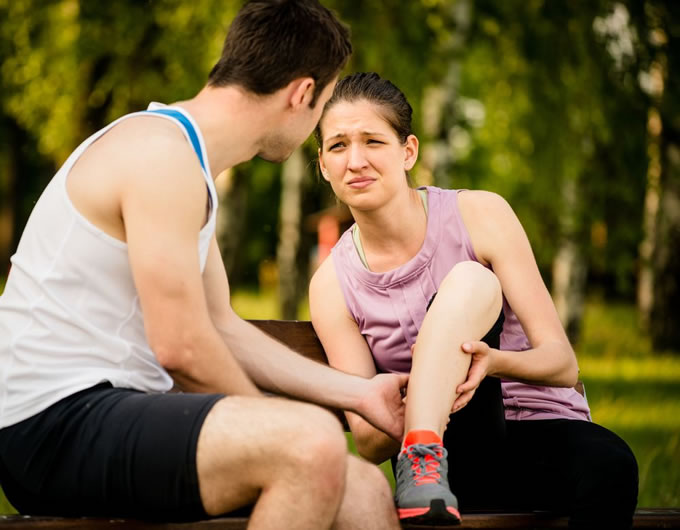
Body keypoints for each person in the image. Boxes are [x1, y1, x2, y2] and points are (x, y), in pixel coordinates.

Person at [0, 4, 409, 529]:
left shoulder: (187, 167)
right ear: (302, 94)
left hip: (111, 414)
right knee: (311, 444)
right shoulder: (159, 156)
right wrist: (278, 426)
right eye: (323, 104)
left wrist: (358, 392)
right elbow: (182, 347)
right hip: (50, 423)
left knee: (365, 490)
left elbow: (221, 328)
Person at [310, 72, 639, 528]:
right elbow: (366, 439)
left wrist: (487, 361)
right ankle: (423, 444)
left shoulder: (480, 214)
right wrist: (431, 381)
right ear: (323, 163)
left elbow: (562, 364)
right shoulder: (332, 284)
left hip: (540, 433)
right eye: (339, 145)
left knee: (612, 465)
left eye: (373, 141)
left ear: (409, 151)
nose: (356, 160)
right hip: (449, 457)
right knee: (468, 281)